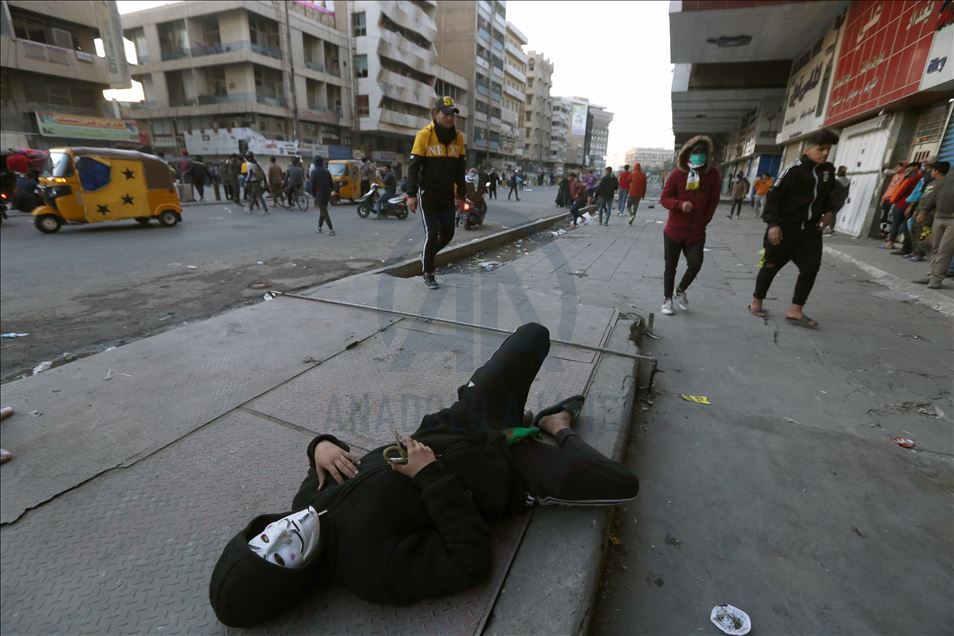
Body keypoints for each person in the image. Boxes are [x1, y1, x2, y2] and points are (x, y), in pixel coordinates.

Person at [208, 322, 638, 628]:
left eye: (263, 538)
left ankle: (512, 418)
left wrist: (320, 445)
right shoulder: (370, 570)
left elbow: (320, 458)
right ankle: (555, 426)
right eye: (277, 556)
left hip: (462, 422)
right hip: (509, 472)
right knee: (621, 483)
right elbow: (470, 562)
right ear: (292, 581)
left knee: (533, 335)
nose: (282, 535)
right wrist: (430, 475)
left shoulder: (307, 502)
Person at [749, 128, 847, 328]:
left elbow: (832, 196)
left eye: (828, 150)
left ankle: (795, 310)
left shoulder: (828, 171)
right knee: (770, 266)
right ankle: (756, 302)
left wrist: (830, 212)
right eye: (821, 149)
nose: (825, 153)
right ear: (807, 149)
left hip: (810, 232)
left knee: (811, 268)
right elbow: (773, 199)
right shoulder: (792, 170)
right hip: (784, 229)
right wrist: (773, 224)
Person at [406, 96, 467, 290]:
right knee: (432, 233)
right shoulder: (424, 135)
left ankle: (426, 256)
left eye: (452, 114)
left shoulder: (458, 138)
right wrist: (411, 195)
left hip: (447, 195)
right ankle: (428, 272)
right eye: (446, 113)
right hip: (428, 194)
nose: (450, 118)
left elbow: (460, 170)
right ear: (436, 113)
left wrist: (461, 196)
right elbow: (413, 168)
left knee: (448, 234)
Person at [659, 136, 721, 316]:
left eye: (702, 154)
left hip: (696, 232)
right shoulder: (677, 173)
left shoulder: (713, 175)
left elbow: (714, 200)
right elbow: (664, 199)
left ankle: (680, 290)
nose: (698, 158)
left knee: (695, 264)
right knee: (670, 267)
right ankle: (667, 299)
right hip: (674, 230)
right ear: (687, 154)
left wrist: (705, 220)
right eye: (695, 154)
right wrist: (680, 204)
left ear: (707, 156)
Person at [913, 162, 952, 289]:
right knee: (935, 247)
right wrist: (924, 211)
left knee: (945, 249)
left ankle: (937, 278)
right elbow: (934, 196)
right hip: (938, 217)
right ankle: (931, 275)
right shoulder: (947, 177)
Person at [883, 163, 923, 249]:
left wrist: (894, 200)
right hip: (911, 205)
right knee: (905, 224)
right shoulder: (921, 178)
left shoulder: (912, 178)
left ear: (915, 168)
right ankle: (900, 242)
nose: (907, 171)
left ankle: (890, 242)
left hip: (901, 204)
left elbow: (901, 190)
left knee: (896, 224)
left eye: (908, 169)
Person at [879, 162, 908, 237]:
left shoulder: (904, 176)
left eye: (899, 167)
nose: (897, 168)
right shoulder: (895, 176)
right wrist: (883, 198)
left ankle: (887, 232)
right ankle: (882, 231)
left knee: (890, 217)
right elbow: (889, 187)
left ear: (904, 168)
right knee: (883, 216)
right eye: (897, 166)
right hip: (887, 198)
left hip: (894, 199)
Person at [309, 157, 334, 234]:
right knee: (323, 210)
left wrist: (313, 194)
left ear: (315, 163)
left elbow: (312, 185)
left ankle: (331, 229)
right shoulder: (327, 171)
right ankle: (319, 227)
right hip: (327, 192)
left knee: (323, 210)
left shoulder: (313, 172)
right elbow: (331, 184)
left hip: (319, 192)